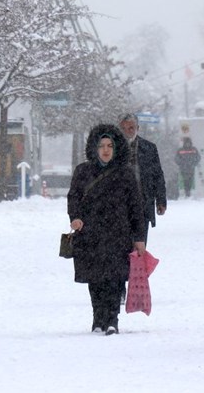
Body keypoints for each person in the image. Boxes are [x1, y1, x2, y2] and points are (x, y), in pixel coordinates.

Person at [67, 124, 146, 335]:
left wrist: (139, 238)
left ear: (116, 147)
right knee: (95, 279)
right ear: (94, 148)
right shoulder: (83, 172)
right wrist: (75, 218)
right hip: (90, 234)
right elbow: (73, 197)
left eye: (110, 146)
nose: (105, 150)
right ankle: (98, 318)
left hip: (118, 234)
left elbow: (135, 207)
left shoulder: (125, 173)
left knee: (115, 278)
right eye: (101, 145)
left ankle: (112, 319)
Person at [118, 113, 167, 241]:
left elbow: (157, 175)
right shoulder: (111, 149)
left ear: (137, 128)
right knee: (120, 245)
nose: (127, 132)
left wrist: (161, 200)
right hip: (118, 206)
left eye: (131, 128)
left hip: (142, 205)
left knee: (140, 243)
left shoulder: (149, 148)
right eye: (123, 128)